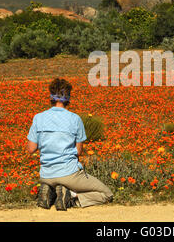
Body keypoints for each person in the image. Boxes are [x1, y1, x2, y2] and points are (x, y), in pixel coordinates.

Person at [26, 78, 113, 211]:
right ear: (68, 98)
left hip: (46, 175)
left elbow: (31, 149)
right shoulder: (75, 119)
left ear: (51, 97)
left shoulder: (38, 117)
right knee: (106, 194)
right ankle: (71, 197)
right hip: (69, 174)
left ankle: (50, 190)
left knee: (53, 179)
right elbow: (78, 152)